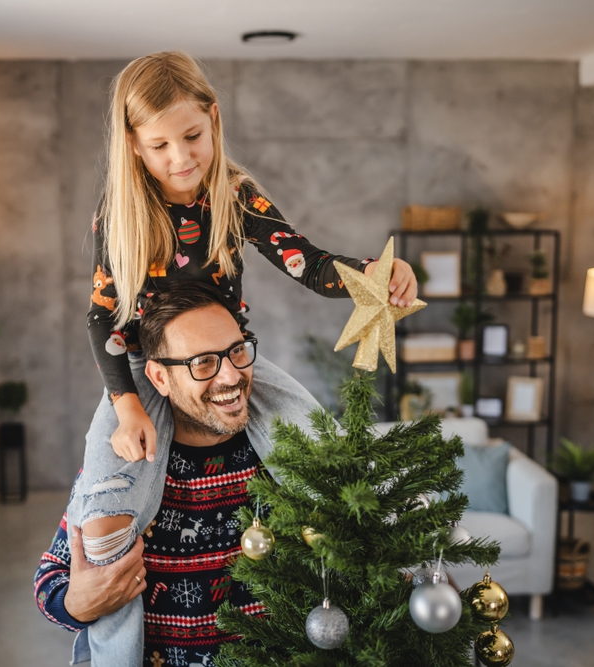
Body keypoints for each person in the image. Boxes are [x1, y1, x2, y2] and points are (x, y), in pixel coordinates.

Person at [74, 50, 417, 565]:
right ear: (134, 146)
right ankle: (111, 643)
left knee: (324, 455)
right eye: (159, 145)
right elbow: (104, 317)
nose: (181, 158)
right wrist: (126, 406)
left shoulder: (236, 196)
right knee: (102, 520)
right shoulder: (121, 213)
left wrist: (371, 272)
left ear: (213, 116)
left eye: (192, 136)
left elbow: (307, 262)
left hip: (228, 358)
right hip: (147, 366)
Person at [37, 284, 285, 665]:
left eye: (237, 351)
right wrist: (79, 603)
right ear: (159, 378)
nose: (231, 377)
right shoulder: (123, 467)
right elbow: (49, 579)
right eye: (203, 362)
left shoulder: (281, 458)